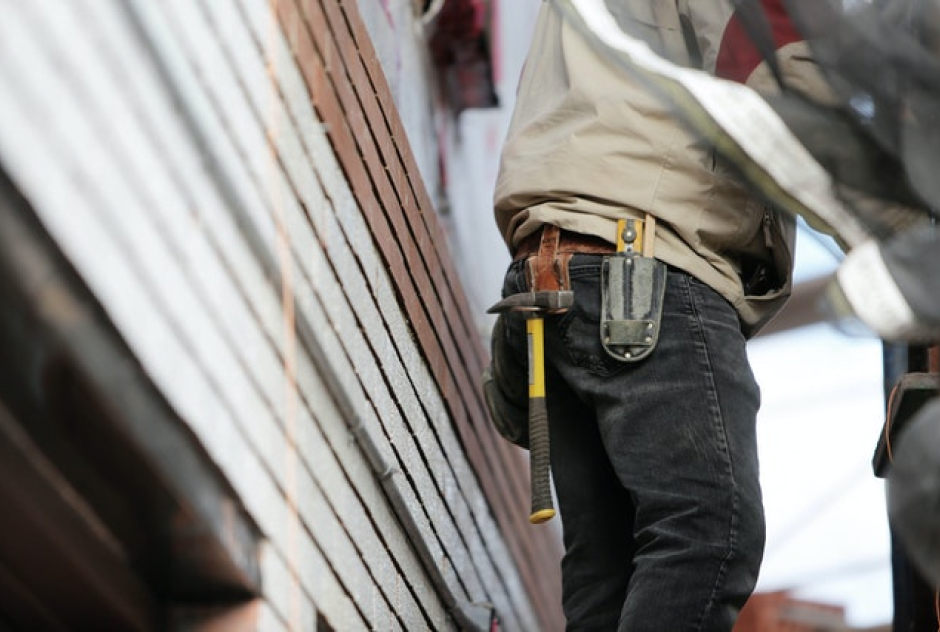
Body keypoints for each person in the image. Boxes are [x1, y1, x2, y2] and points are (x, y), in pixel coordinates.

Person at [486, 1, 834, 629]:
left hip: (557, 270)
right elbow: (779, 76)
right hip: (642, 268)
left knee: (608, 572)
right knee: (710, 532)